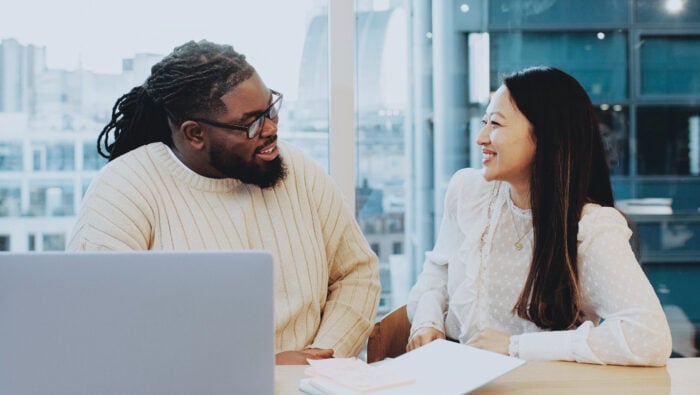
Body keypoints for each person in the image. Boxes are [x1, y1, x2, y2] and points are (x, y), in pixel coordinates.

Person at [66, 40, 380, 365]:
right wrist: (256, 373)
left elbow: (356, 274)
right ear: (195, 134)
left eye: (271, 109)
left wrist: (317, 362)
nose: (271, 129)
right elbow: (100, 329)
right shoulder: (125, 188)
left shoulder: (298, 169)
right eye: (252, 123)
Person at [406, 66, 672, 366]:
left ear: (544, 135)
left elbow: (649, 336)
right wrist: (427, 322)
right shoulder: (469, 192)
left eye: (495, 124)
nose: (481, 137)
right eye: (484, 122)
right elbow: (438, 273)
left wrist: (516, 347)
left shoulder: (591, 228)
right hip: (459, 376)